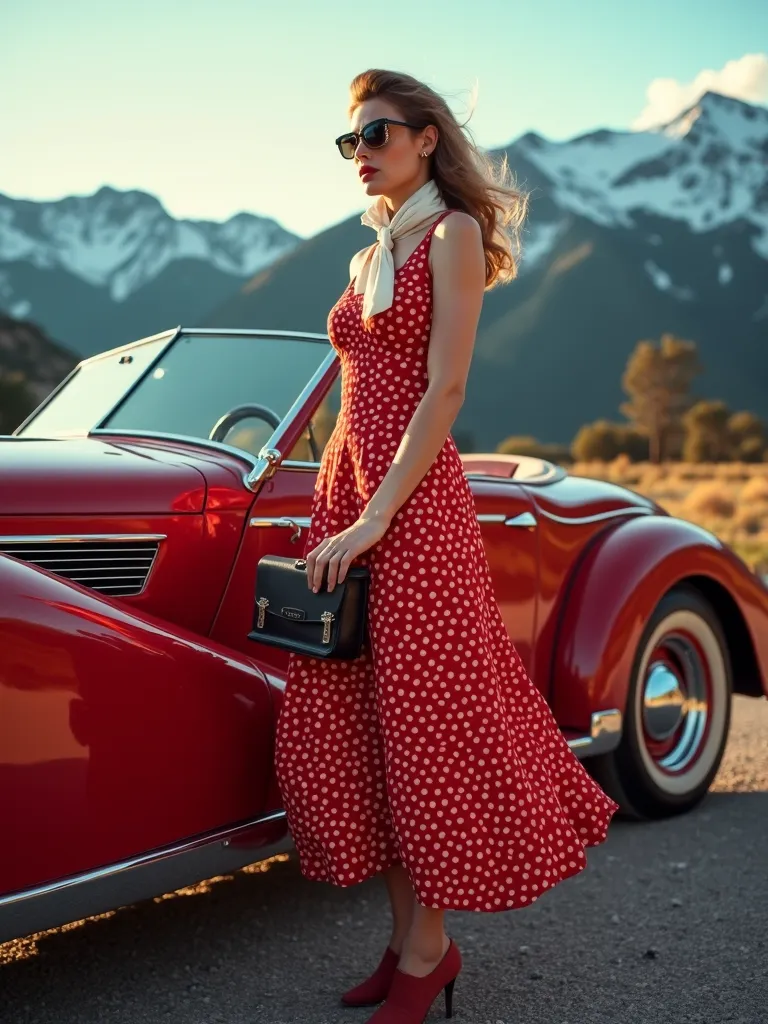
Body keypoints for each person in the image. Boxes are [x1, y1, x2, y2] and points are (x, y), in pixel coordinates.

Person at [273, 68, 619, 1024]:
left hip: (412, 510)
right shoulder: (367, 256)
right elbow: (356, 392)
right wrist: (335, 500)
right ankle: (410, 943)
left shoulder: (452, 235)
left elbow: (446, 392)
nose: (360, 155)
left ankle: (430, 952)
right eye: (349, 142)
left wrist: (377, 514)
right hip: (351, 491)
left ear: (427, 139)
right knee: (370, 729)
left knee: (427, 726)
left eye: (376, 136)